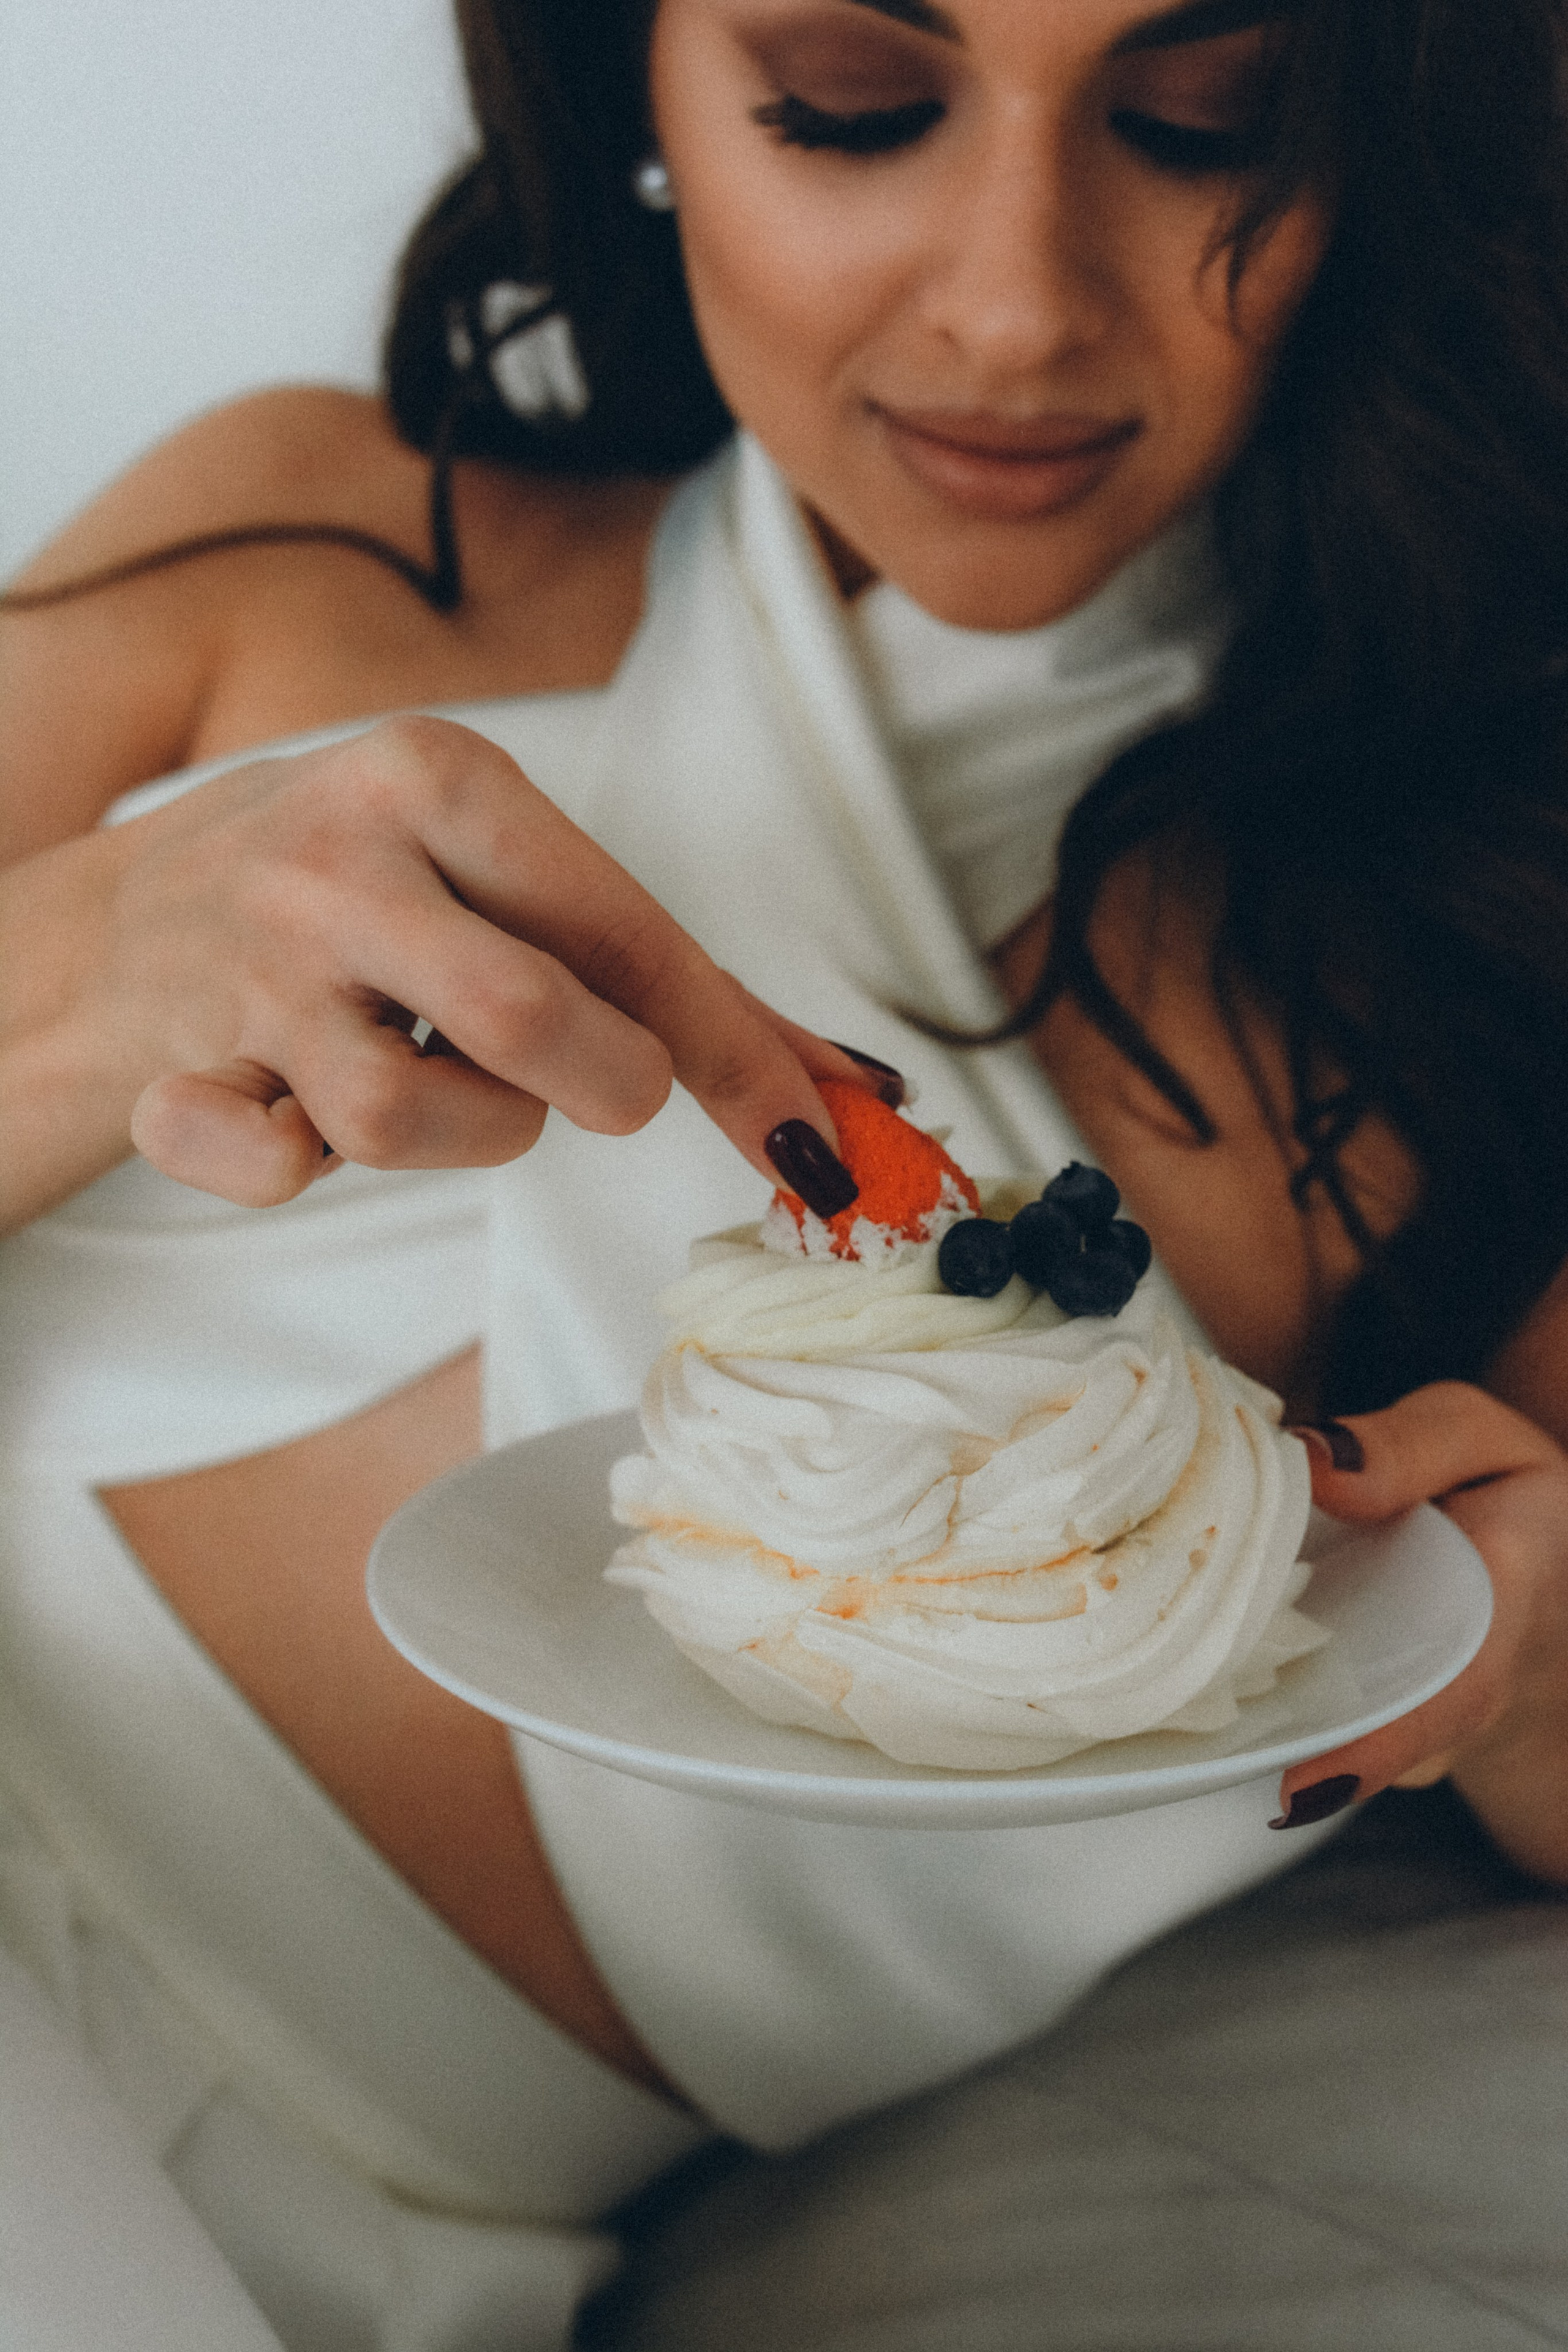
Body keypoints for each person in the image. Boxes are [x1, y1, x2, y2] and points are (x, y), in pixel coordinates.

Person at [2, 0, 1567, 2344]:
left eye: (1192, 124)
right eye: (851, 105)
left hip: (320, 2229)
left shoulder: (1502, 915)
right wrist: (94, 971)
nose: (1017, 303)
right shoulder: (304, 537)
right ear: (629, 83)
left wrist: (1508, 1659)